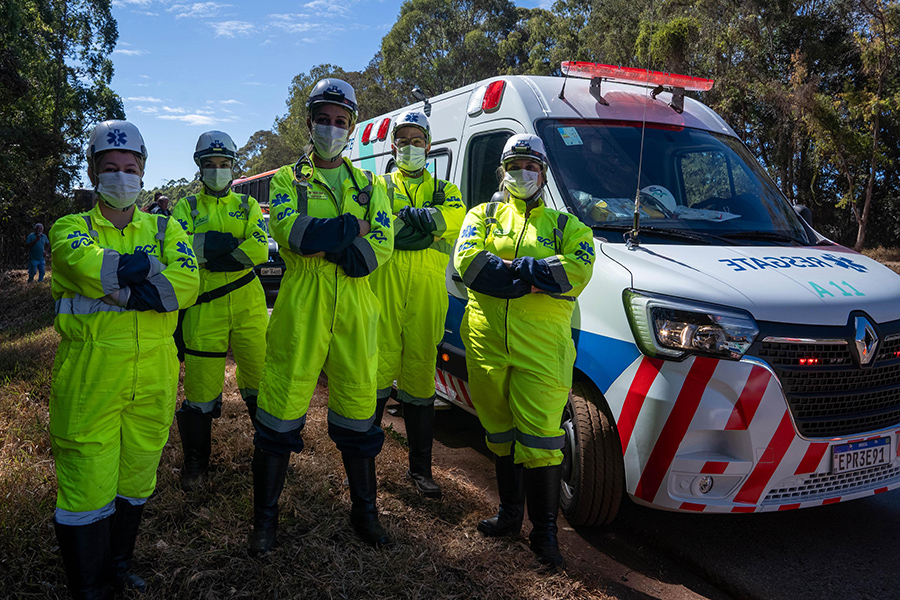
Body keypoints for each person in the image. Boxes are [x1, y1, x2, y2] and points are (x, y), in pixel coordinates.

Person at [48, 119, 199, 598]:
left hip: (155, 371)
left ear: (143, 172)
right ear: (93, 173)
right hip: (91, 375)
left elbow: (188, 286)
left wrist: (123, 286)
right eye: (109, 168)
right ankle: (89, 588)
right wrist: (148, 273)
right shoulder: (70, 228)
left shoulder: (165, 225)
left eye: (129, 168)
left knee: (136, 475)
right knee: (87, 485)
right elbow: (92, 266)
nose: (120, 177)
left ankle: (117, 565)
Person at [250, 78, 394, 554]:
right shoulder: (288, 180)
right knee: (279, 413)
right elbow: (291, 231)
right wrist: (353, 227)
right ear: (308, 124)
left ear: (351, 127)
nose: (331, 128)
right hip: (301, 307)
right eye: (323, 120)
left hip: (356, 305)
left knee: (358, 414)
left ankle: (365, 513)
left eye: (340, 121)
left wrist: (334, 243)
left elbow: (384, 243)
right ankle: (265, 522)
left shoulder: (369, 183)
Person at [453, 134, 595, 567]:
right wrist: (535, 277)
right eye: (515, 166)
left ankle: (545, 535)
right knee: (498, 431)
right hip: (485, 342)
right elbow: (468, 263)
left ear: (544, 174)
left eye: (531, 166)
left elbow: (579, 270)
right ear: (503, 171)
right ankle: (509, 515)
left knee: (542, 440)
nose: (522, 173)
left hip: (543, 349)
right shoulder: (483, 214)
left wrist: (514, 271)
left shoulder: (567, 225)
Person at [368, 110, 465, 499]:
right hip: (384, 296)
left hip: (426, 300)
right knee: (374, 381)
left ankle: (420, 470)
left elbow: (455, 220)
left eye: (417, 140)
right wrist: (424, 225)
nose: (410, 147)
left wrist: (412, 220)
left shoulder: (446, 189)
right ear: (394, 146)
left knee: (422, 385)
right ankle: (364, 466)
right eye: (403, 140)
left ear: (428, 145)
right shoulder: (378, 184)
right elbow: (378, 224)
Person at [171, 131, 269, 492]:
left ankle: (268, 456)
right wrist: (222, 246)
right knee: (199, 389)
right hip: (204, 308)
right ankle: (196, 464)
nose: (217, 171)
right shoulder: (186, 207)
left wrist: (212, 251)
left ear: (233, 166)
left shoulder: (248, 206)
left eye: (223, 165)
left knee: (259, 380)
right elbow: (181, 249)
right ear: (199, 167)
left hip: (249, 306)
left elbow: (260, 249)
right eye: (210, 165)